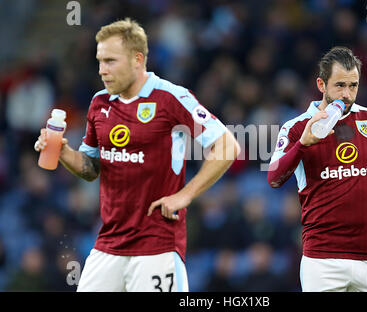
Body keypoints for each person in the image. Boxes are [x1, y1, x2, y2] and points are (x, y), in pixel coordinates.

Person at [34, 18, 240, 292]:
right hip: (108, 245)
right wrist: (62, 151)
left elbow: (228, 146)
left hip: (158, 246)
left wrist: (185, 194)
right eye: (99, 61)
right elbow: (90, 168)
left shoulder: (171, 98)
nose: (102, 70)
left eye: (110, 61)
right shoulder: (99, 103)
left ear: (137, 59)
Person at [267, 46, 367, 292]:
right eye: (340, 85)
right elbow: (274, 178)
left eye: (353, 86)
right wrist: (302, 146)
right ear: (321, 84)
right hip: (321, 260)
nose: (347, 94)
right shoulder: (296, 128)